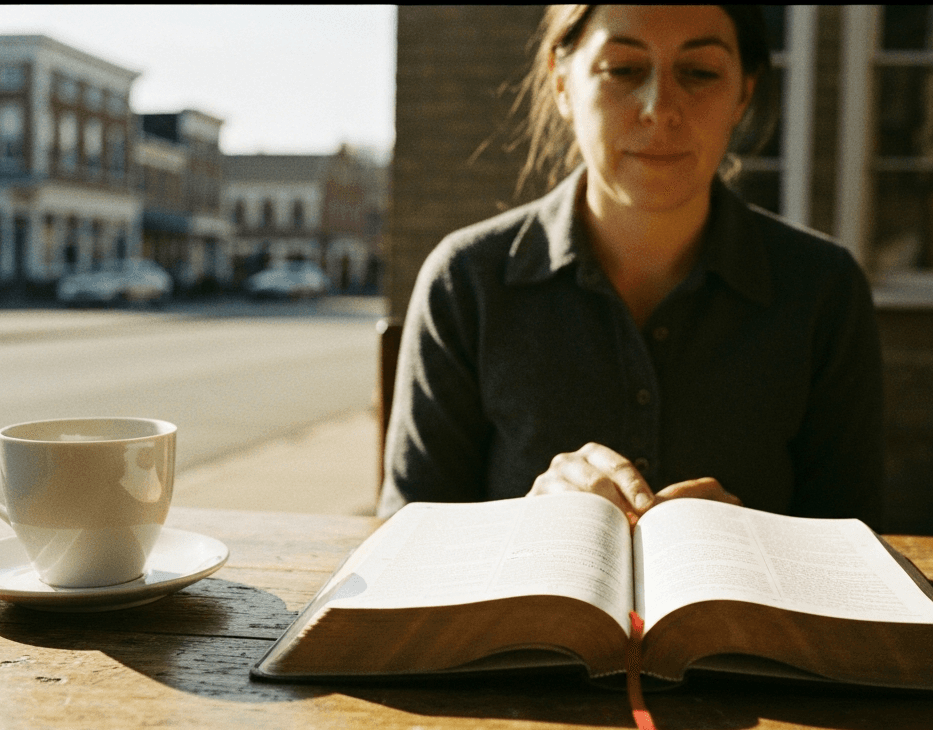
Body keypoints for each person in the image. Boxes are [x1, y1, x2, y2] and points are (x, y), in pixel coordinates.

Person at [379, 5, 884, 530]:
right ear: (561, 83)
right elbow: (408, 545)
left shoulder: (825, 288)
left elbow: (855, 545)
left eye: (700, 73)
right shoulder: (465, 281)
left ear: (744, 94)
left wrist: (751, 547)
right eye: (623, 70)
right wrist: (527, 531)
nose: (659, 108)